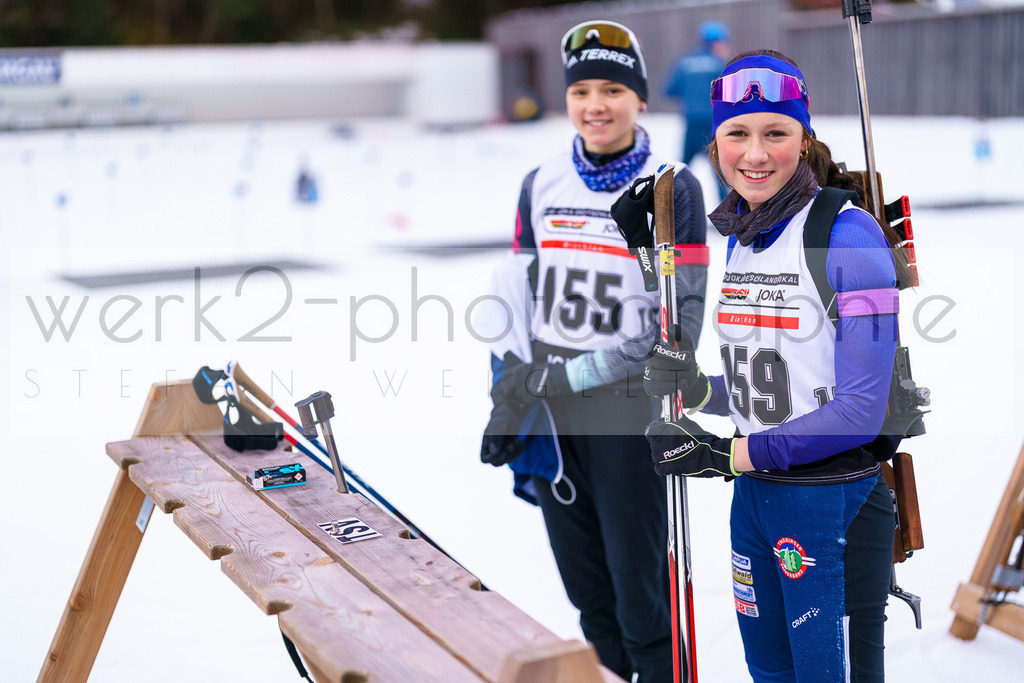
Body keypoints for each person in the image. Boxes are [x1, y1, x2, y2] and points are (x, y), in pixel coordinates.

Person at [642, 49, 909, 681]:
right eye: (737, 133)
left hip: (830, 501)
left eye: (775, 133)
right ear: (715, 142)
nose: (755, 154)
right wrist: (698, 389)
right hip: (757, 502)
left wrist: (725, 456)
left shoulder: (851, 238)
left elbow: (859, 412)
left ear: (804, 137)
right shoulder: (741, 234)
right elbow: (764, 385)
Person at [477, 20, 709, 683]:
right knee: (587, 590)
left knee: (642, 593)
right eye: (582, 90)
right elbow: (518, 294)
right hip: (554, 408)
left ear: (639, 98)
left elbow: (681, 326)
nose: (596, 106)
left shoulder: (671, 187)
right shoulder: (540, 182)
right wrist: (508, 387)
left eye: (613, 89)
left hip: (629, 409)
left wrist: (568, 376)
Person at [663, 21, 732, 198]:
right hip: (712, 124)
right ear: (717, 43)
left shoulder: (685, 61)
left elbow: (670, 90)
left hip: (691, 123)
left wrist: (691, 95)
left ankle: (666, 206)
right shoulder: (720, 64)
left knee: (680, 169)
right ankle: (726, 217)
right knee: (719, 172)